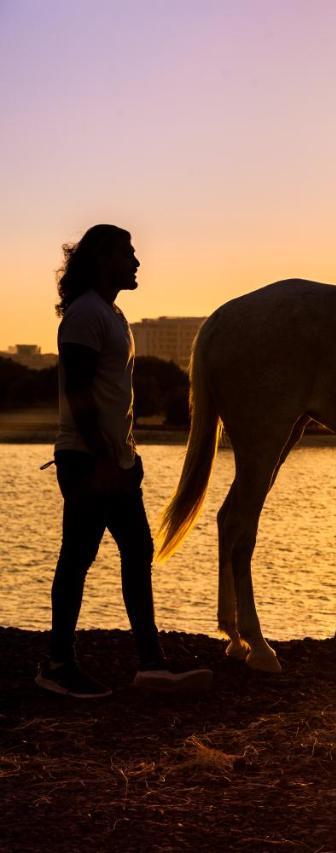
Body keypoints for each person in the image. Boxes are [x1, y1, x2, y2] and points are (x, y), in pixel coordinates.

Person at [36, 224, 211, 698]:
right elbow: (77, 391)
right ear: (101, 259)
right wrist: (101, 459)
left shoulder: (113, 315)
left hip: (115, 461)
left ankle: (151, 663)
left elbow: (116, 397)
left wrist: (127, 457)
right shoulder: (85, 316)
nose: (136, 262)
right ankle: (57, 664)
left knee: (136, 552)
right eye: (127, 254)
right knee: (79, 557)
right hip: (88, 460)